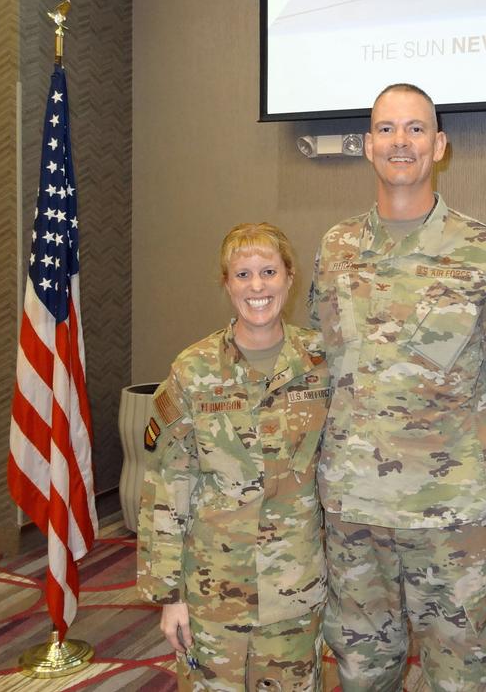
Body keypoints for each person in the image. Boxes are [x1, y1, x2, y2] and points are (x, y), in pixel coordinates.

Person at [309, 83, 486, 691]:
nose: (401, 142)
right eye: (387, 129)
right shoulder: (336, 249)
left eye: (416, 129)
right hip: (354, 510)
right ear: (367, 145)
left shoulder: (480, 251)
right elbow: (318, 372)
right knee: (362, 674)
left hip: (452, 513)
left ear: (439, 145)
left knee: (457, 679)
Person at [137, 223, 331, 691]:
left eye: (268, 271)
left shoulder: (322, 362)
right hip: (213, 591)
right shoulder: (193, 370)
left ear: (289, 277)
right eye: (242, 275)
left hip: (296, 587)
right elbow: (167, 485)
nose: (257, 286)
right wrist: (170, 596)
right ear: (226, 284)